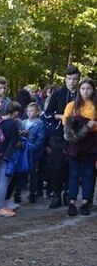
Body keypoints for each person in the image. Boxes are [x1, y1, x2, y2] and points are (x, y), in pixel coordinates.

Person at [44, 66, 81, 208]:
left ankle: (68, 194)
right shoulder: (58, 94)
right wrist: (62, 117)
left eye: (75, 79)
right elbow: (47, 114)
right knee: (57, 165)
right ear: (65, 79)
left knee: (71, 166)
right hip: (58, 135)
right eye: (69, 79)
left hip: (76, 136)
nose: (72, 82)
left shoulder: (81, 94)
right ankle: (56, 194)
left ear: (78, 79)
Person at [63, 77, 97, 215]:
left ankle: (85, 202)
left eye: (88, 88)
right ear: (79, 90)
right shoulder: (72, 105)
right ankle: (71, 202)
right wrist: (83, 124)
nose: (85, 91)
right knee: (74, 174)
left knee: (88, 174)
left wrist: (92, 125)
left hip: (92, 141)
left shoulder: (95, 105)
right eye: (83, 88)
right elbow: (66, 121)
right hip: (75, 142)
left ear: (93, 90)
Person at [0, 98, 21, 217]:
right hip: (7, 155)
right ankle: (1, 207)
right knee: (3, 181)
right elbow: (15, 141)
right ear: (15, 112)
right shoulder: (12, 124)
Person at [22, 102, 47, 203]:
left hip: (34, 152)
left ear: (37, 112)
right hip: (23, 151)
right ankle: (18, 192)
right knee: (22, 172)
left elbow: (40, 140)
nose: (29, 113)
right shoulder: (23, 123)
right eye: (28, 111)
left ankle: (33, 193)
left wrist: (30, 147)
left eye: (31, 111)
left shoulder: (40, 124)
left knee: (33, 173)